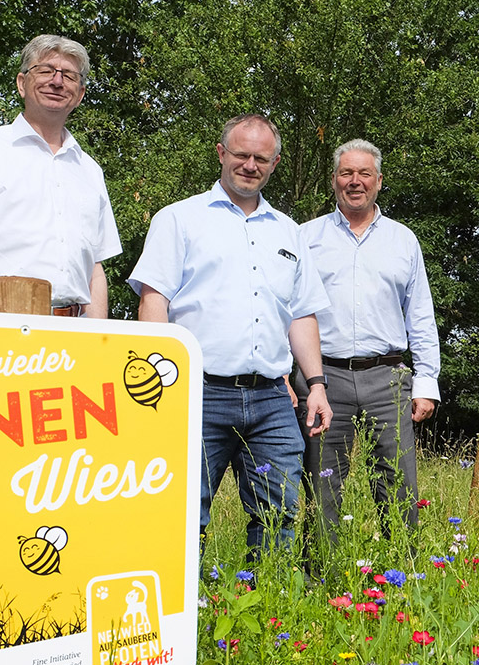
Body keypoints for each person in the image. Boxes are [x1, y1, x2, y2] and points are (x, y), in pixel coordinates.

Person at [129, 114, 333, 561]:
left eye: (261, 158)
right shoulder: (179, 219)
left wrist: (316, 384)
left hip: (273, 401)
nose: (250, 165)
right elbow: (154, 301)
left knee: (279, 511)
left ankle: (272, 614)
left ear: (274, 163)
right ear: (221, 153)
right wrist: (155, 382)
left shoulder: (288, 231)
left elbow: (300, 314)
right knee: (183, 512)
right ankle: (184, 618)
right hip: (197, 392)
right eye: (241, 154)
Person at [294, 139, 440, 550]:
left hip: (386, 377)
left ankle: (402, 573)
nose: (354, 182)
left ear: (378, 181)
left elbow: (421, 315)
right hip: (322, 378)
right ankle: (322, 574)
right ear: (334, 180)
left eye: (364, 174)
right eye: (346, 173)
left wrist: (427, 383)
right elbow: (286, 310)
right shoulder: (305, 237)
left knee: (397, 482)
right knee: (322, 482)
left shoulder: (402, 240)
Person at [0, 35, 121, 316]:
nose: (56, 81)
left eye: (69, 75)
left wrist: (98, 342)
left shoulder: (89, 171)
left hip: (72, 336)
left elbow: (94, 270)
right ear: (21, 83)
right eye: (45, 70)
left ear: (80, 95)